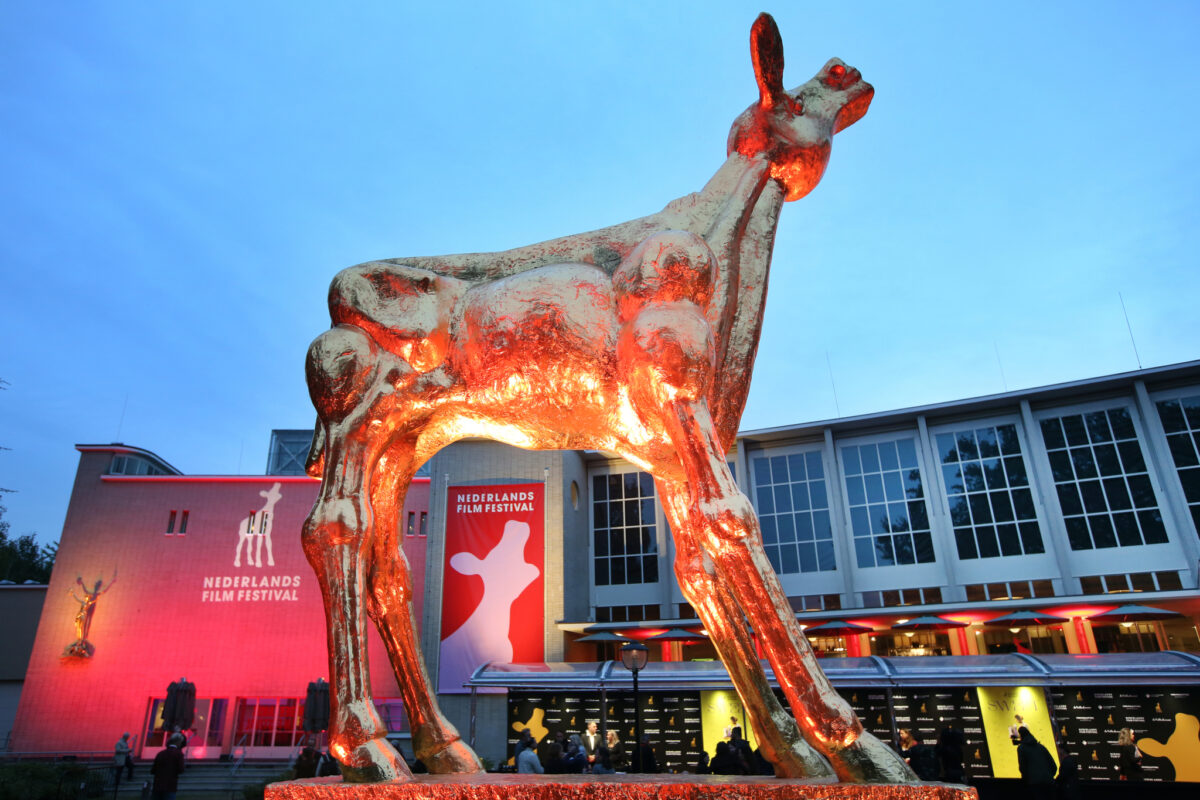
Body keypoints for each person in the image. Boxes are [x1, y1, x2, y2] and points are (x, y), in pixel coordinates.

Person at [1015, 727, 1057, 800]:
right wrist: (1048, 776)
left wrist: (1028, 779)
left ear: (1021, 736)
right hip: (1049, 782)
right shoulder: (1041, 747)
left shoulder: (1021, 748)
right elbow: (1053, 766)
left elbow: (1023, 767)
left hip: (1035, 784)